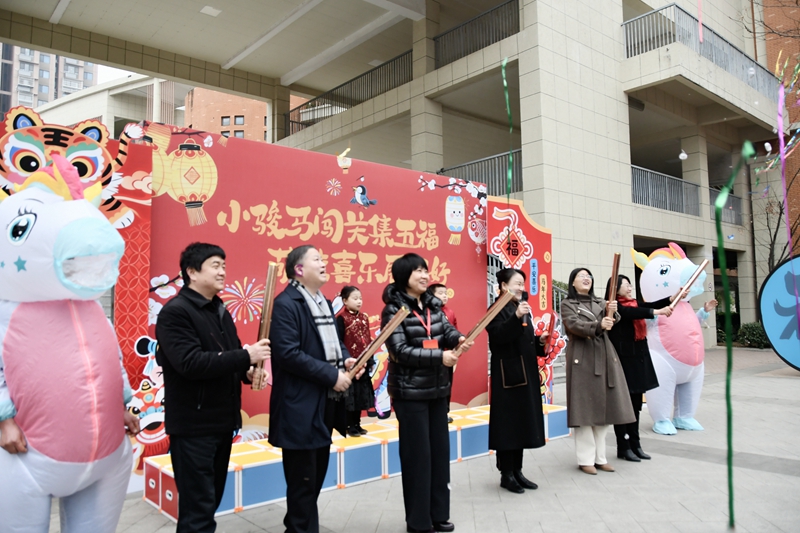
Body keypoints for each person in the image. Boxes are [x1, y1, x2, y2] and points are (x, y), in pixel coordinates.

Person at [156, 242, 271, 533]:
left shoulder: (219, 310)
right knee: (198, 511)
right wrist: (246, 356)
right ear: (192, 272)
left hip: (221, 423)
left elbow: (227, 359)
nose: (222, 272)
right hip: (194, 427)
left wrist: (248, 373)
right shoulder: (175, 313)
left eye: (224, 265)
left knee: (209, 502)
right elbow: (190, 363)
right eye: (215, 266)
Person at [269, 245, 362, 533]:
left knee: (314, 479)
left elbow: (332, 342)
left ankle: (300, 527)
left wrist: (345, 359)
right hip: (300, 405)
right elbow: (288, 353)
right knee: (303, 482)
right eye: (317, 259)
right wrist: (332, 375)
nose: (324, 263)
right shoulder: (287, 303)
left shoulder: (321, 300)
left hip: (323, 404)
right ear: (299, 269)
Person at [381, 253, 472, 533]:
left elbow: (447, 331)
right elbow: (399, 351)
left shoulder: (433, 305)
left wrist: (459, 338)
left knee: (439, 455)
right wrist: (440, 357)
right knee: (417, 458)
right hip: (410, 394)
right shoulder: (393, 310)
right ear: (403, 276)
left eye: (425, 270)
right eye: (418, 271)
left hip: (437, 390)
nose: (424, 275)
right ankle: (418, 522)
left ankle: (438, 514)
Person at [560, 267, 635, 475]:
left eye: (589, 276)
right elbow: (574, 325)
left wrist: (613, 312)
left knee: (603, 408)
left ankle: (600, 458)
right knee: (584, 410)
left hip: (604, 354)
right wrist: (599, 324)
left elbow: (612, 322)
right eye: (581, 276)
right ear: (572, 282)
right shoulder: (567, 303)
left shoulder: (601, 302)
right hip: (582, 356)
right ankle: (586, 460)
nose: (586, 279)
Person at [486, 268, 548, 493]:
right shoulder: (495, 309)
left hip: (526, 372)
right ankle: (506, 474)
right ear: (503, 286)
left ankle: (518, 471)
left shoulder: (520, 307)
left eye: (523, 283)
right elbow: (499, 336)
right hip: (508, 375)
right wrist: (515, 317)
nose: (521, 288)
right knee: (508, 425)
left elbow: (524, 337)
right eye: (517, 283)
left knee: (521, 422)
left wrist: (540, 341)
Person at [605, 275, 672, 462]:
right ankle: (623, 446)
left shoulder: (633, 303)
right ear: (615, 288)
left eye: (629, 284)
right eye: (625, 285)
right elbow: (630, 313)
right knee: (623, 406)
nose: (629, 288)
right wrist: (658, 312)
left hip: (639, 360)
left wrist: (671, 298)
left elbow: (646, 306)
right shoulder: (613, 307)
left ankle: (636, 444)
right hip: (623, 363)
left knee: (635, 406)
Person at [335, 285, 375, 437]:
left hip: (363, 364)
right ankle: (348, 425)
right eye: (355, 298)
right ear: (345, 301)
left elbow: (368, 341)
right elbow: (339, 342)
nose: (359, 301)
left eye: (360, 298)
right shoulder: (341, 319)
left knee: (361, 396)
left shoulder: (364, 318)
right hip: (350, 365)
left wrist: (370, 361)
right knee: (349, 397)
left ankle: (357, 423)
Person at [429, 283, 456, 424]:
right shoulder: (428, 312)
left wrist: (456, 350)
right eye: (440, 293)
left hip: (448, 355)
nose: (444, 296)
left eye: (445, 293)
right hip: (433, 357)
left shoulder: (450, 312)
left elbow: (454, 331)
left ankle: (445, 412)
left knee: (447, 385)